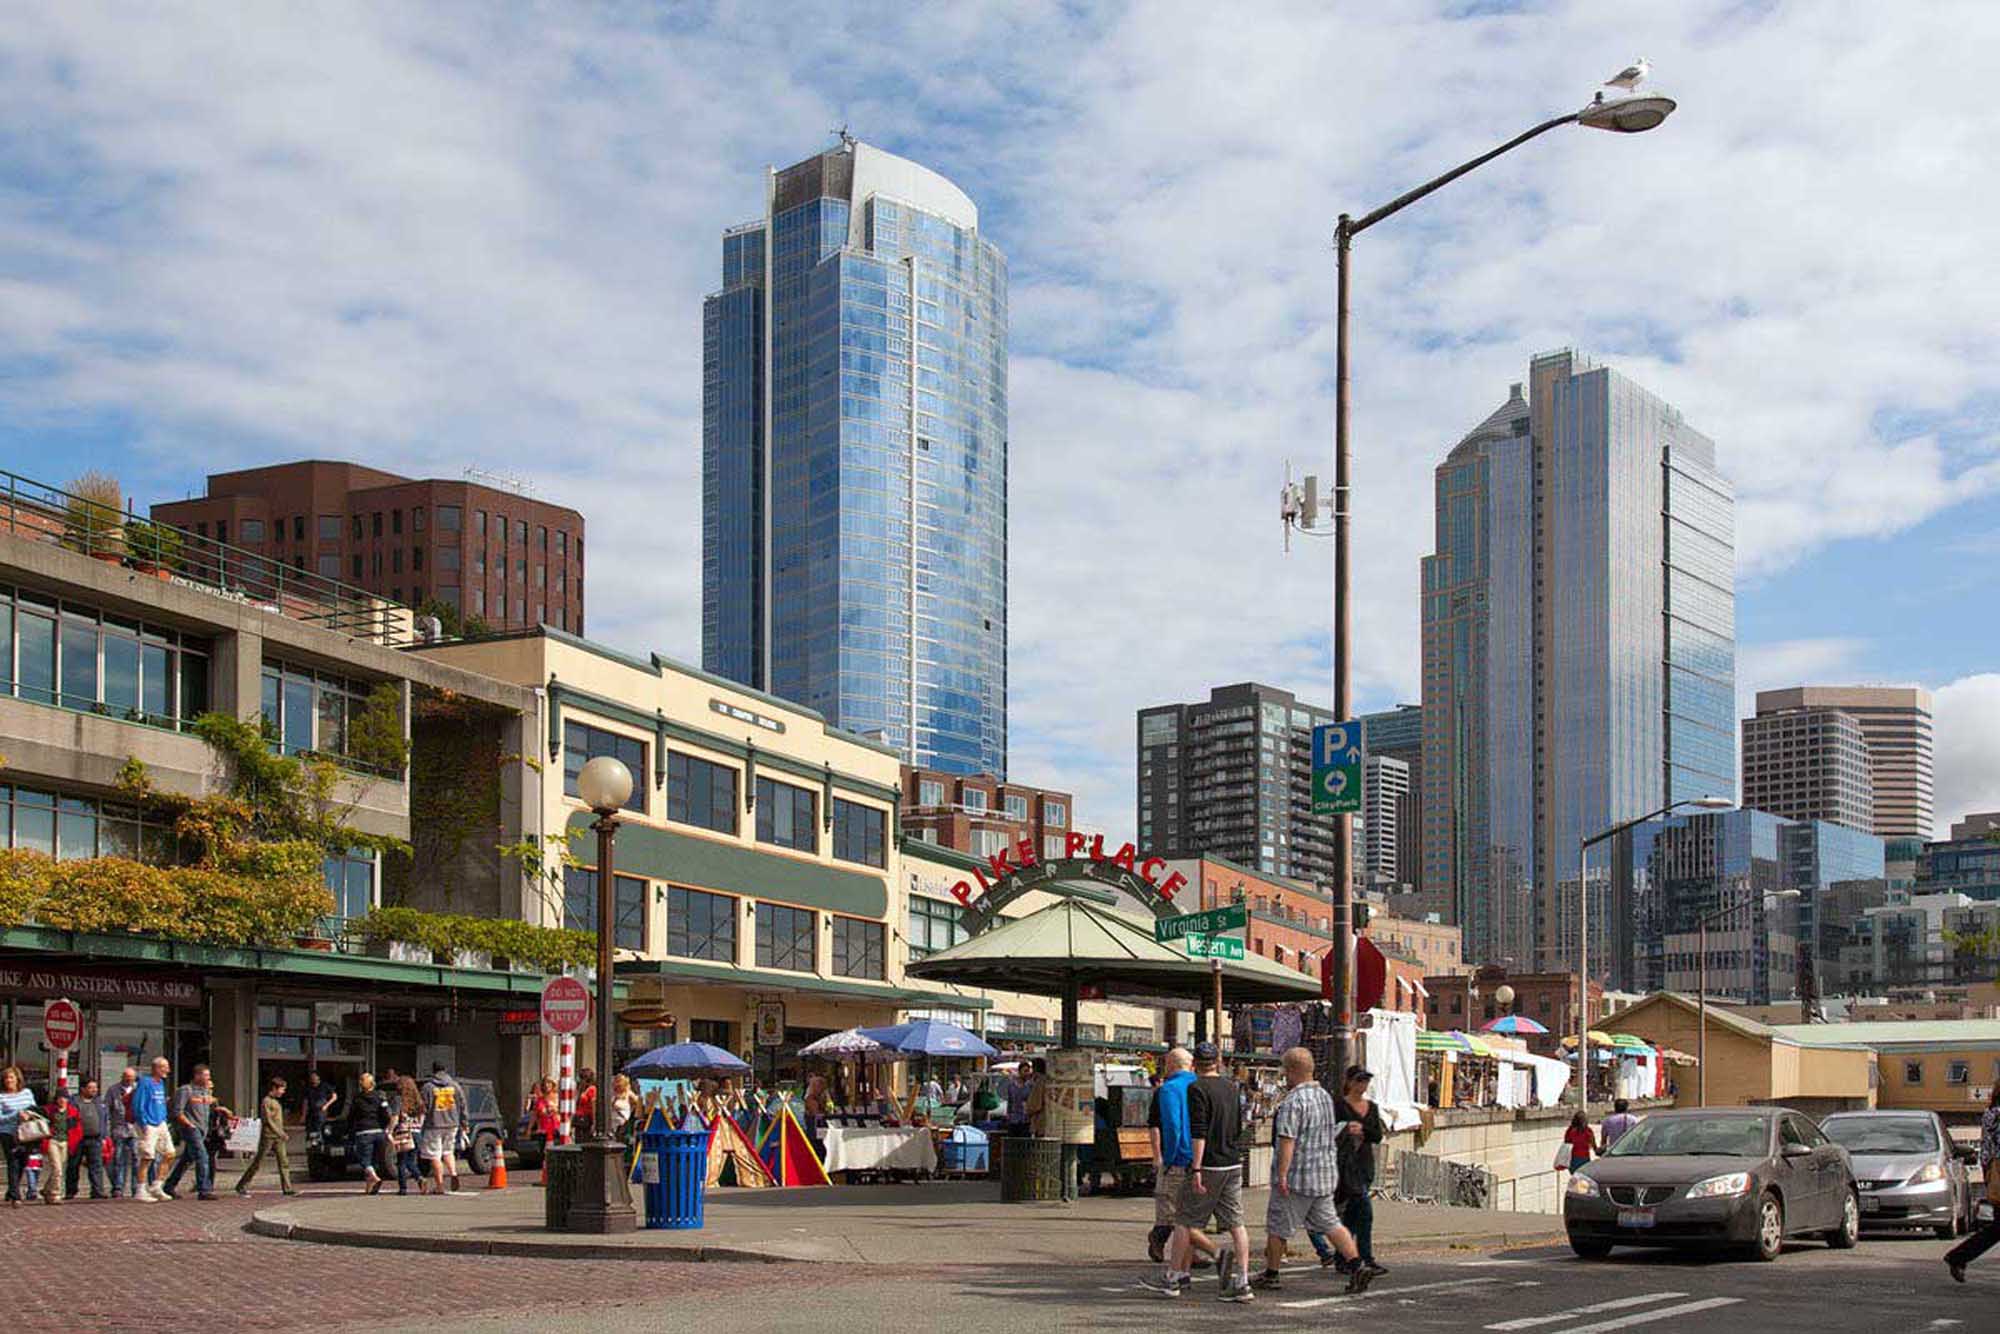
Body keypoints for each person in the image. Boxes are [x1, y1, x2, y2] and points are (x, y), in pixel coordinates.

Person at [1249, 1049, 1371, 1295]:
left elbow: (1287, 1140)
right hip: (1323, 1173)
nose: (1284, 1076)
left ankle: (1272, 1273)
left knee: (1278, 1225)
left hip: (1298, 1177)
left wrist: (1282, 1174)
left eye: (1285, 1071)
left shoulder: (1293, 1102)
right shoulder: (1324, 1096)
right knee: (1331, 1223)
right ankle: (1357, 1265)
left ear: (1291, 1071)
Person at [1155, 1042, 1255, 1302]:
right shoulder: (1231, 1087)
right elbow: (1239, 1125)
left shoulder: (1196, 1088)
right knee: (1236, 1224)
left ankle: (1174, 1277)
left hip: (1208, 1163)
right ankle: (1243, 1281)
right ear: (1217, 1061)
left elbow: (1198, 1131)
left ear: (1195, 1064)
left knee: (1184, 1221)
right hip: (1232, 1161)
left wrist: (1196, 1167)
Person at [1143, 1047, 1218, 1271]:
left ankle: (1164, 1241)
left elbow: (1171, 1126)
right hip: (1203, 1158)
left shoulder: (1167, 1089)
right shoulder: (1203, 1085)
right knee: (1191, 1210)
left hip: (1179, 1157)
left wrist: (1165, 1157)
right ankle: (1190, 1256)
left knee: (1170, 1206)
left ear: (1170, 1065)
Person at [1329, 1065, 1388, 1279]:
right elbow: (1330, 1132)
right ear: (1349, 1082)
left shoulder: (1371, 1107)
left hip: (1364, 1165)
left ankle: (1343, 1257)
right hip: (1345, 1165)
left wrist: (1363, 1129)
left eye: (1365, 1080)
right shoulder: (1338, 1105)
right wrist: (1346, 1128)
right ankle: (1364, 1258)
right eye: (1359, 1080)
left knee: (1353, 1215)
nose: (1362, 1085)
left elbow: (1377, 1135)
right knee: (1364, 1211)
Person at [1946, 1082, 2000, 1282]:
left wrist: (1988, 1174)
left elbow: (1986, 1151)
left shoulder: (1990, 1113)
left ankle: (1958, 1257)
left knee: (1997, 1228)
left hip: (1994, 1173)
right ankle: (1958, 1257)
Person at [162, 1064, 230, 1200]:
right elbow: (177, 1111)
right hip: (191, 1129)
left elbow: (210, 1107)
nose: (208, 1078)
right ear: (197, 1076)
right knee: (202, 1156)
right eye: (206, 1075)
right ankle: (204, 1189)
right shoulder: (185, 1090)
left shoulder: (205, 1092)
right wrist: (189, 1124)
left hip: (202, 1130)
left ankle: (169, 1186)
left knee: (186, 1160)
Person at [234, 1075, 297, 1196]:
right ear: (274, 1088)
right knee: (258, 1162)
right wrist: (280, 1132)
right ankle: (242, 1185)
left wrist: (281, 1133)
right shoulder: (266, 1101)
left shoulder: (276, 1102)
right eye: (281, 1089)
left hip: (278, 1137)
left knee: (284, 1162)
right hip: (268, 1136)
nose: (283, 1092)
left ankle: (287, 1188)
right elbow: (267, 1120)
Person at [132, 1056, 176, 1201]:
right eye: (165, 1067)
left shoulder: (161, 1083)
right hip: (149, 1123)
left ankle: (157, 1185)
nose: (168, 1070)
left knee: (170, 1153)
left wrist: (164, 1118)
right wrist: (143, 1123)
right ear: (156, 1068)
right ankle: (140, 1189)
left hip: (160, 1122)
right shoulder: (145, 1082)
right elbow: (138, 1103)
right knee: (147, 1157)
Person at [421, 1060, 464, 1194]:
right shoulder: (455, 1086)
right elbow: (462, 1105)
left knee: (435, 1155)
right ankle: (453, 1173)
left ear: (433, 1070)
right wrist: (464, 1123)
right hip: (452, 1123)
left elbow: (424, 1107)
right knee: (448, 1151)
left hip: (434, 1124)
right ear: (445, 1070)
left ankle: (440, 1185)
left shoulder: (428, 1087)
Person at [347, 1071, 393, 1194]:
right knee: (373, 1160)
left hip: (363, 1131)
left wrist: (350, 1129)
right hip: (378, 1132)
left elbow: (351, 1116)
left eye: (361, 1080)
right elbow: (386, 1114)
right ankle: (369, 1187)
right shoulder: (380, 1097)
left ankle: (374, 1178)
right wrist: (384, 1127)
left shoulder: (357, 1098)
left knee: (364, 1159)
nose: (359, 1082)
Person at [69, 1077, 111, 1201]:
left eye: (95, 1087)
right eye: (91, 1087)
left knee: (96, 1165)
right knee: (73, 1165)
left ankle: (98, 1190)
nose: (94, 1090)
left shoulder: (99, 1102)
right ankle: (70, 1191)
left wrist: (104, 1136)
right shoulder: (74, 1101)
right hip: (77, 1139)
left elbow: (104, 1119)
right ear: (83, 1089)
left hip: (95, 1138)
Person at [0, 1065, 36, 1206]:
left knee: (23, 1162)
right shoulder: (1, 1097)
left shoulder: (27, 1093)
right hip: (8, 1133)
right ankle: (16, 1196)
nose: (8, 1080)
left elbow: (34, 1109)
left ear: (17, 1079)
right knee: (13, 1162)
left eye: (11, 1077)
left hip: (26, 1133)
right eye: (6, 1078)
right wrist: (16, 1114)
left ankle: (11, 1190)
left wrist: (29, 1114)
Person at [37, 1084, 75, 1204]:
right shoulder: (49, 1110)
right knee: (57, 1168)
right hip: (53, 1141)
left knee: (59, 1169)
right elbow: (37, 1114)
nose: (62, 1100)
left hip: (65, 1141)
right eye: (60, 1098)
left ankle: (46, 1189)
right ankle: (55, 1194)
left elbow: (76, 1126)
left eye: (65, 1098)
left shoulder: (72, 1111)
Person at [107, 1066, 139, 1198]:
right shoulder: (113, 1090)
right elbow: (107, 1110)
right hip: (119, 1129)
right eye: (127, 1077)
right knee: (119, 1159)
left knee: (136, 1159)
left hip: (136, 1130)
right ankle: (118, 1187)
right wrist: (108, 1130)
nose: (129, 1080)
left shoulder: (138, 1089)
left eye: (131, 1078)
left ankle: (136, 1187)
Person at [390, 1076, 423, 1195]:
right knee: (411, 1161)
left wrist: (390, 1130)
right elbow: (422, 1119)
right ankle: (420, 1178)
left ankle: (403, 1188)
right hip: (417, 1132)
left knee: (401, 1162)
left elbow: (395, 1117)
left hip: (404, 1133)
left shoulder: (398, 1099)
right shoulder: (418, 1100)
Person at [304, 1070, 339, 1139]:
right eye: (312, 1077)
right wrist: (304, 1114)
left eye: (314, 1076)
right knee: (311, 1132)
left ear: (318, 1077)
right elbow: (305, 1101)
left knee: (320, 1128)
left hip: (321, 1112)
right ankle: (313, 1141)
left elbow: (335, 1097)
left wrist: (326, 1105)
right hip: (311, 1112)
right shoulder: (308, 1088)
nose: (313, 1078)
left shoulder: (324, 1086)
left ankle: (320, 1140)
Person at [1003, 1064, 1033, 1137]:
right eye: (1025, 1071)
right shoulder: (1011, 1086)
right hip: (1013, 1120)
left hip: (1025, 1120)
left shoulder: (1030, 1086)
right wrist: (1008, 1115)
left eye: (1028, 1071)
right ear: (1019, 1072)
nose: (1027, 1073)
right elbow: (1010, 1101)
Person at [611, 1074, 638, 1143]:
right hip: (612, 1123)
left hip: (623, 1123)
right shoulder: (612, 1093)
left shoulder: (628, 1093)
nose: (617, 1084)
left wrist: (631, 1110)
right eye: (616, 1082)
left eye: (619, 1082)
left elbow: (638, 1102)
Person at [576, 1068, 600, 1137]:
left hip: (586, 1118)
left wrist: (594, 1123)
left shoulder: (592, 1089)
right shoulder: (583, 1089)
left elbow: (593, 1106)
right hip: (579, 1118)